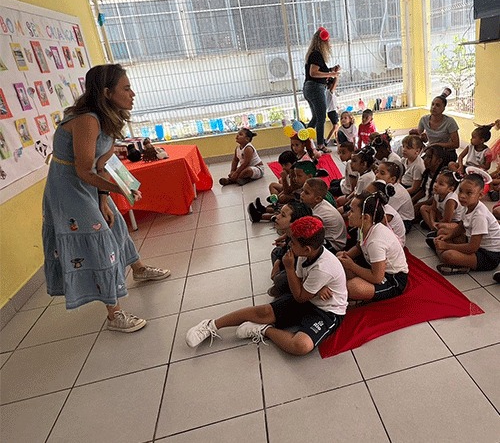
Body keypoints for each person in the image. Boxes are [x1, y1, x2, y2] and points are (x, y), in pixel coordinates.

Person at [42, 64, 170, 333]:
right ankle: (114, 314)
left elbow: (102, 162)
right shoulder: (88, 119)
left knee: (115, 225)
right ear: (106, 92)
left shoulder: (110, 116)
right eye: (126, 88)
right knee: (96, 240)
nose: (132, 93)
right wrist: (119, 190)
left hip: (89, 183)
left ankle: (138, 269)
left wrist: (103, 199)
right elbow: (83, 169)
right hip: (69, 188)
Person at [186, 216, 347, 356]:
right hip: (308, 298)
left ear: (306, 249)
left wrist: (289, 268)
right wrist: (316, 288)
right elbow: (298, 284)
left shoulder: (323, 267)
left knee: (301, 345)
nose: (290, 246)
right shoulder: (304, 255)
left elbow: (299, 297)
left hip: (327, 311)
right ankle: (211, 325)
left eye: (293, 243)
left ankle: (263, 330)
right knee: (264, 311)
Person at [337, 190, 409, 302]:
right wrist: (346, 255)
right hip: (373, 266)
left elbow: (377, 277)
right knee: (340, 258)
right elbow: (359, 246)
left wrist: (351, 265)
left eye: (351, 211)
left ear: (366, 217)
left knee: (353, 287)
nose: (348, 215)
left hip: (392, 278)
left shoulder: (376, 241)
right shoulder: (364, 227)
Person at [434, 173, 500, 275]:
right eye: (460, 191)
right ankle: (442, 251)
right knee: (442, 232)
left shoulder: (480, 216)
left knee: (448, 255)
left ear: (480, 195)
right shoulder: (468, 205)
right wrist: (448, 236)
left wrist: (447, 245)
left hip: (488, 255)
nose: (462, 196)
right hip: (475, 244)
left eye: (469, 193)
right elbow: (461, 226)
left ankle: (455, 262)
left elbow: (472, 248)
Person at [303, 27, 340, 153]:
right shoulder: (316, 54)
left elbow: (318, 71)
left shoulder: (313, 54)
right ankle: (320, 145)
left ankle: (305, 140)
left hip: (309, 88)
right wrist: (331, 75)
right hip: (315, 88)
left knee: (315, 118)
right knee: (321, 118)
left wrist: (330, 70)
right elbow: (313, 73)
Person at [267, 200, 314, 298]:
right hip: (290, 261)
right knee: (276, 252)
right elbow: (285, 249)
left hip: (298, 269)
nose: (277, 217)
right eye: (280, 213)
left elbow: (301, 267)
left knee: (279, 280)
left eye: (283, 216)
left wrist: (286, 269)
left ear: (294, 222)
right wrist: (278, 262)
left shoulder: (301, 241)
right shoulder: (290, 234)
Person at [300, 178, 347, 253]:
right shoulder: (318, 204)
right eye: (302, 190)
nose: (301, 194)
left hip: (334, 244)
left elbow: (309, 230)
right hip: (334, 238)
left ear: (317, 199)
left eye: (306, 193)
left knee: (305, 243)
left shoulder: (320, 213)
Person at [417, 90, 459, 163]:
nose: (434, 107)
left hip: (447, 152)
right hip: (431, 151)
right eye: (432, 104)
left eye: (437, 105)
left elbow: (456, 144)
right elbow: (419, 137)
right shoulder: (424, 120)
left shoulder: (450, 122)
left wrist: (437, 145)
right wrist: (422, 138)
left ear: (443, 108)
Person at [420, 169, 464, 237]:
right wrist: (432, 222)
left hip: (454, 222)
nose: (436, 185)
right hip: (442, 216)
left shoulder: (450, 200)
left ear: (450, 189)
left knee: (443, 226)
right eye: (436, 182)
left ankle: (436, 230)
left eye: (441, 184)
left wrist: (436, 223)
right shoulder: (437, 194)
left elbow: (447, 220)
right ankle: (433, 228)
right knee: (423, 208)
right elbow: (433, 209)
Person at [375, 161, 414, 233]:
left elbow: (387, 216)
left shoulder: (395, 194)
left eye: (382, 173)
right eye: (377, 172)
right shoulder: (385, 186)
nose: (377, 175)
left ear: (392, 179)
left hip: (404, 222)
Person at [364, 181, 406, 247]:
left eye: (367, 194)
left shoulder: (386, 214)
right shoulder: (377, 207)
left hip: (396, 243)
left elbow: (374, 229)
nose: (364, 196)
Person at [412, 145, 446, 219]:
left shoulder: (441, 176)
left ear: (439, 161)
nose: (425, 160)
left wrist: (418, 205)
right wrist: (411, 201)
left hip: (434, 205)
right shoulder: (428, 172)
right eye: (425, 156)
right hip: (425, 199)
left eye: (429, 157)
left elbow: (435, 198)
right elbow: (423, 190)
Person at [324, 76, 339, 146]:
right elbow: (335, 82)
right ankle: (327, 141)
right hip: (332, 111)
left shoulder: (327, 92)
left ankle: (336, 140)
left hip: (332, 111)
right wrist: (336, 75)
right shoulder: (330, 91)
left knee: (336, 126)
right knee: (335, 126)